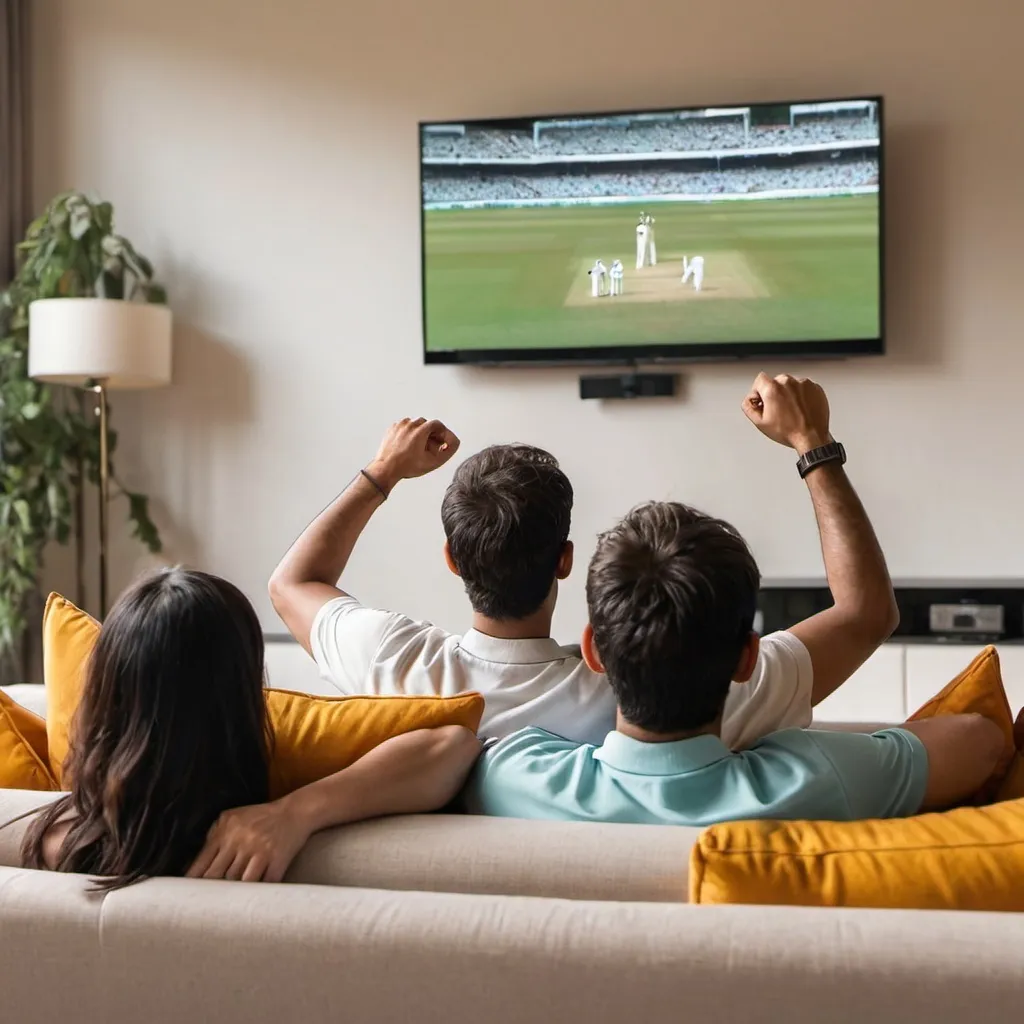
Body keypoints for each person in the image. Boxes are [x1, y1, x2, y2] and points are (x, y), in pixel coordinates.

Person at [463, 375, 1004, 825]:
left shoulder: (510, 775)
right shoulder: (815, 778)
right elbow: (979, 739)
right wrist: (811, 443)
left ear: (594, 651)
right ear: (749, 657)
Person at [269, 376, 897, 752]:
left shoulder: (392, 664)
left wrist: (383, 472)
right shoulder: (665, 697)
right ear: (565, 561)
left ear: (453, 561)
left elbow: (293, 582)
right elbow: (866, 615)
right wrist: (812, 443)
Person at [19, 568, 480, 888]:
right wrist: (297, 813)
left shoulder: (49, 843)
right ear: (241, 695)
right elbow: (454, 743)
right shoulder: (266, 836)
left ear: (103, 694)